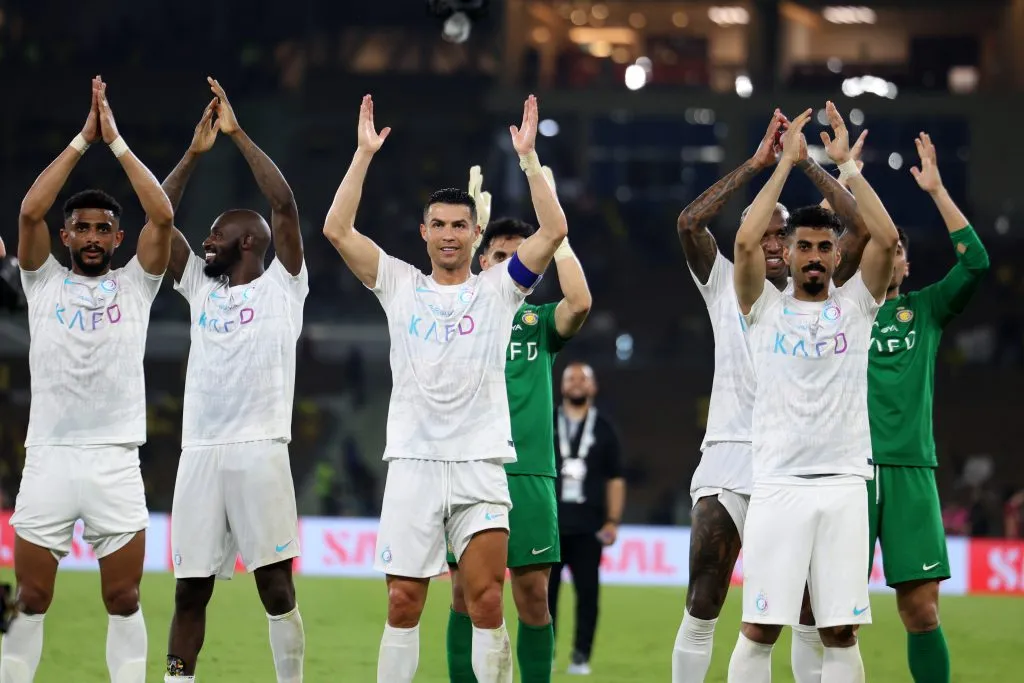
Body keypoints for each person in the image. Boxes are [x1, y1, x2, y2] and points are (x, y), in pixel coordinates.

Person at [323, 93, 567, 683]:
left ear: (475, 231)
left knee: (486, 602)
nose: (450, 234)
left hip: (481, 462)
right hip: (412, 462)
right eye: (439, 225)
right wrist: (362, 155)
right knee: (404, 604)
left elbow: (555, 228)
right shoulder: (398, 283)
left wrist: (531, 161)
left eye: (461, 225)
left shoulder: (500, 288)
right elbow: (336, 228)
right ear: (424, 232)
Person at [672, 109, 870, 683]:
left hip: (803, 462)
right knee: (705, 597)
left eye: (784, 233)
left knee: (816, 614)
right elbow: (690, 222)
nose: (776, 241)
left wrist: (809, 164)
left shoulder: (817, 291)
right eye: (766, 231)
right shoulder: (728, 283)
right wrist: (760, 165)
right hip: (733, 454)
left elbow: (859, 232)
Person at [2, 76, 175, 683]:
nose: (94, 238)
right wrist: (82, 139)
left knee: (124, 599)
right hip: (48, 457)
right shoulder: (42, 281)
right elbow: (29, 210)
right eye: (84, 228)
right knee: (31, 596)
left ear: (119, 239)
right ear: (66, 236)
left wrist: (118, 142)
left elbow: (164, 214)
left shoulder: (137, 283)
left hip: (114, 460)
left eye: (106, 229)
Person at [726, 103, 899, 683]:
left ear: (835, 254)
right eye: (806, 247)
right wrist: (784, 164)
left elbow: (883, 234)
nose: (817, 257)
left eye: (826, 248)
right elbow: (747, 239)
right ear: (791, 252)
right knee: (759, 629)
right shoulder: (762, 308)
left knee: (840, 631)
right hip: (776, 484)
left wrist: (840, 167)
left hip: (847, 484)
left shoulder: (857, 307)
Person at [154, 78, 308, 683]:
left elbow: (286, 208)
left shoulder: (283, 284)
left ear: (249, 242)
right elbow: (159, 223)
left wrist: (239, 135)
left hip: (259, 448)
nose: (207, 240)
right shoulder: (199, 286)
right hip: (199, 454)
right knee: (189, 591)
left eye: (217, 233)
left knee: (273, 585)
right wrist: (193, 154)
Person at [446, 166, 592, 683]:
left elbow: (581, 304)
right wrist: (467, 244)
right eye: (500, 256)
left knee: (533, 597)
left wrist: (560, 242)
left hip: (529, 472)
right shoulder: (459, 313)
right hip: (468, 468)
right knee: (466, 595)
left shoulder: (540, 321)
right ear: (484, 261)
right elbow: (448, 282)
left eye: (520, 255)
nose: (510, 265)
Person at [866, 132, 989, 683]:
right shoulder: (839, 314)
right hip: (849, 471)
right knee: (823, 614)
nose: (891, 255)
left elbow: (976, 264)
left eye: (898, 250)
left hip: (912, 470)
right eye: (881, 247)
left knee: (921, 611)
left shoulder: (927, 310)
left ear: (907, 266)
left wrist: (937, 191)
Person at [547, 362, 625, 676]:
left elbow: (615, 478)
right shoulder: (546, 423)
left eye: (583, 378)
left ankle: (581, 657)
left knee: (588, 596)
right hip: (549, 526)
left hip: (589, 528)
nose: (577, 383)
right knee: (542, 596)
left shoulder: (604, 428)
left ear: (593, 387)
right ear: (562, 386)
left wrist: (613, 521)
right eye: (570, 378)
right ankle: (546, 653)